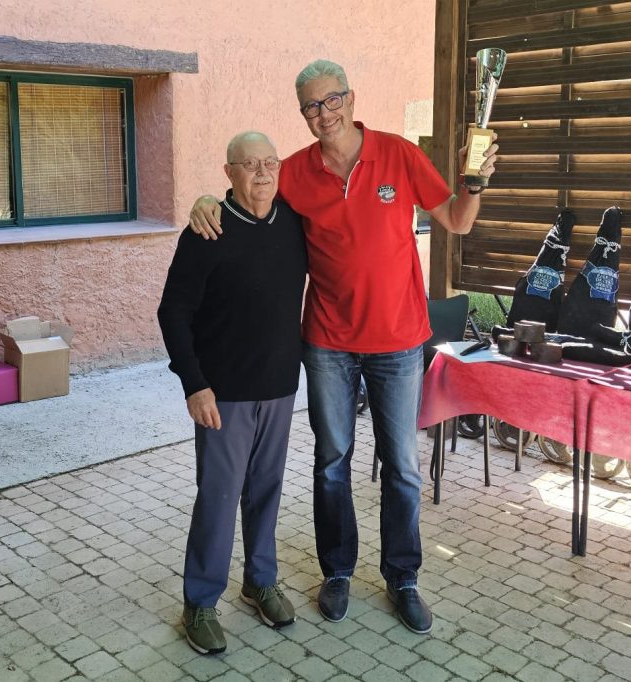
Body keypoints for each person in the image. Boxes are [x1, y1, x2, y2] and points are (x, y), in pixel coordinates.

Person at [188, 60, 497, 635]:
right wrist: (207, 199)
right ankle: (337, 571)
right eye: (310, 106)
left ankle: (403, 578)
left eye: (331, 100)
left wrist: (474, 183)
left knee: (402, 466)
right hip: (327, 342)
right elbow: (248, 191)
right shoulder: (295, 172)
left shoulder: (398, 154)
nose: (322, 114)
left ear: (351, 99)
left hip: (399, 342)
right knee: (331, 463)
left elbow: (457, 221)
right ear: (303, 114)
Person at [158, 131, 307, 654]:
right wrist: (194, 385)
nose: (262, 173)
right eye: (249, 165)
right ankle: (200, 602)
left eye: (270, 163)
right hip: (224, 395)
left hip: (280, 387)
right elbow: (172, 312)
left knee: (266, 492)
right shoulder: (208, 229)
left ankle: (260, 582)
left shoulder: (294, 223)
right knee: (219, 499)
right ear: (229, 173)